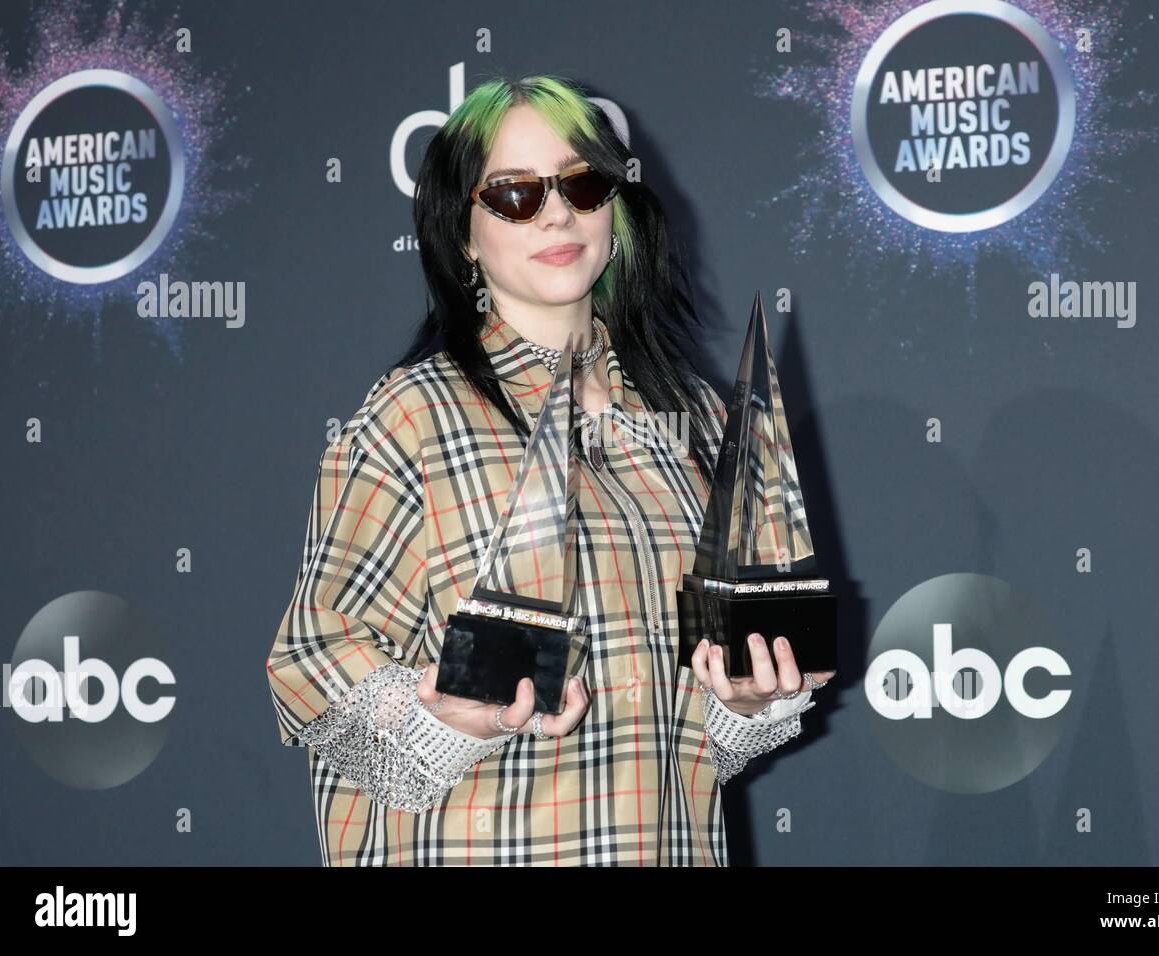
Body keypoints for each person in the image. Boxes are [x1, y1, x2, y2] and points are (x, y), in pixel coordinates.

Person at [265, 74, 835, 866]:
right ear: (462, 231)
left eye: (581, 183)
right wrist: (446, 721)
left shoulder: (699, 418)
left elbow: (689, 734)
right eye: (513, 195)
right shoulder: (414, 416)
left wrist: (748, 698)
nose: (558, 212)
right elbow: (312, 662)